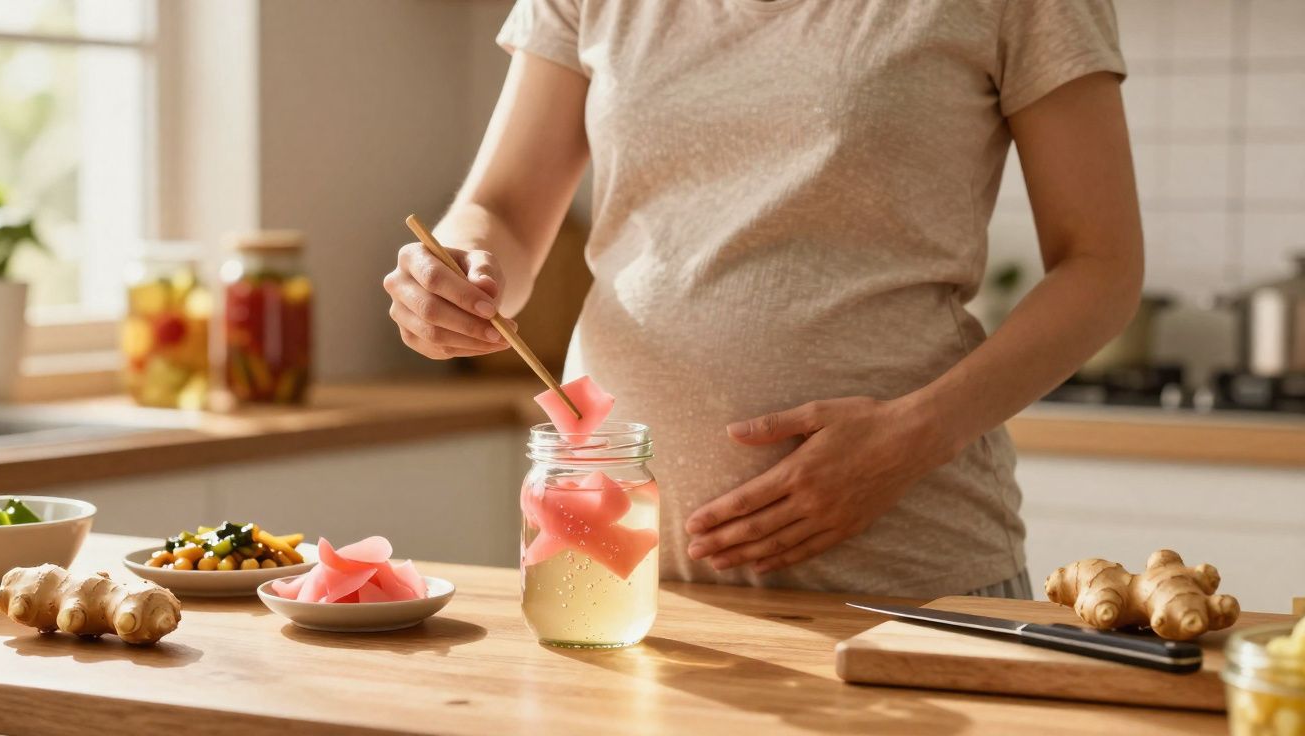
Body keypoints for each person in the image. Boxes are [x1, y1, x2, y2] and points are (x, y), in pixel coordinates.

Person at [383, 1, 1143, 599]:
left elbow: (1101, 267)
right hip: (607, 571)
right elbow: (505, 213)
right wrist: (458, 270)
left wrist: (916, 434)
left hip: (900, 580)